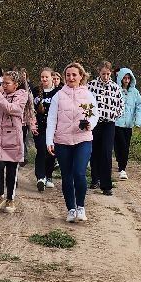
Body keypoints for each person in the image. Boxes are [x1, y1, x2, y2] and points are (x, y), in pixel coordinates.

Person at [46, 62, 98, 223]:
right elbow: (51, 119)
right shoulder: (58, 96)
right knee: (67, 176)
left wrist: (90, 124)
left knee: (79, 173)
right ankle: (71, 209)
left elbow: (95, 115)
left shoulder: (88, 95)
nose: (71, 78)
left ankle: (81, 207)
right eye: (68, 75)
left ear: (81, 76)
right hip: (62, 141)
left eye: (74, 75)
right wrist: (49, 140)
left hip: (83, 139)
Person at [0, 69, 35, 213]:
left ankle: (10, 199)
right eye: (3, 83)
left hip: (13, 137)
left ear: (16, 84)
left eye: (7, 83)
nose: (4, 85)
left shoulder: (22, 95)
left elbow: (11, 109)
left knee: (12, 169)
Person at [86, 61, 124, 195]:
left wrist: (114, 115)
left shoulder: (115, 87)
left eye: (108, 74)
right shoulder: (91, 85)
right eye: (103, 74)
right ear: (99, 72)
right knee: (94, 151)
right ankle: (95, 178)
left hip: (109, 123)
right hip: (95, 123)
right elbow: (86, 103)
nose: (106, 76)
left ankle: (106, 184)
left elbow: (121, 105)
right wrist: (89, 118)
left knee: (107, 152)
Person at [31, 66, 60, 192]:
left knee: (51, 152)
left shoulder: (58, 92)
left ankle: (48, 176)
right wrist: (32, 122)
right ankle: (40, 177)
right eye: (42, 77)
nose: (44, 79)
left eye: (46, 77)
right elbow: (30, 108)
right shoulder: (36, 91)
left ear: (52, 78)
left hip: (54, 127)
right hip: (40, 126)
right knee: (42, 149)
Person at [114, 67, 141, 180]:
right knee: (121, 145)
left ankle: (122, 166)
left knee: (126, 145)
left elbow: (139, 106)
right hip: (117, 123)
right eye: (124, 78)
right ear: (120, 78)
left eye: (128, 78)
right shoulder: (116, 90)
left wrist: (138, 120)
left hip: (128, 124)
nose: (126, 80)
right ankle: (122, 168)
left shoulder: (135, 92)